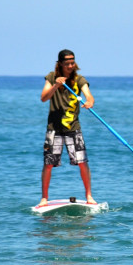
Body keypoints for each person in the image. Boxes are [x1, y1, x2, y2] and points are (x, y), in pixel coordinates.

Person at [38, 49, 96, 206]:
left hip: (73, 128)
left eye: (73, 63)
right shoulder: (51, 77)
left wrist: (89, 101)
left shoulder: (78, 79)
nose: (71, 66)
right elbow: (44, 98)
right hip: (54, 128)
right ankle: (44, 198)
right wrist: (56, 85)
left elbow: (88, 95)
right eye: (67, 63)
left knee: (83, 162)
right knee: (48, 164)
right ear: (60, 64)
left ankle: (89, 196)